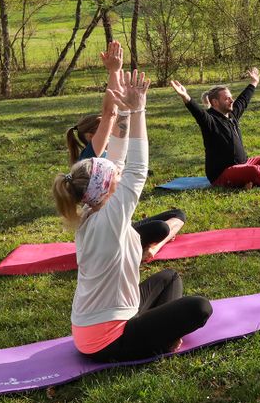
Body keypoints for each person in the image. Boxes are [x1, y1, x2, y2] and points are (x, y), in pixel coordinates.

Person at [52, 70, 212, 363]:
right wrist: (138, 109)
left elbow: (117, 159)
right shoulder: (110, 216)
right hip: (106, 342)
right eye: (114, 177)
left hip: (98, 325)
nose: (118, 174)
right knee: (200, 308)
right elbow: (137, 168)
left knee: (169, 278)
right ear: (107, 188)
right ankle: (162, 341)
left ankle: (160, 334)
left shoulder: (91, 205)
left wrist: (124, 112)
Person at [67, 41, 185, 260]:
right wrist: (117, 76)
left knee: (176, 215)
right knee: (161, 228)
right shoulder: (93, 157)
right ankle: (152, 247)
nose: (110, 129)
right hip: (114, 228)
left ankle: (151, 246)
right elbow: (135, 166)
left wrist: (125, 107)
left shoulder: (91, 192)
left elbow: (118, 157)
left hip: (113, 225)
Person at [170, 67, 260, 188]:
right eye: (227, 99)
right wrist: (185, 97)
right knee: (253, 170)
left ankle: (251, 179)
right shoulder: (210, 120)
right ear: (215, 102)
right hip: (223, 173)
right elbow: (198, 113)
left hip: (243, 164)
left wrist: (254, 82)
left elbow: (243, 100)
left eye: (231, 98)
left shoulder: (231, 115)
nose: (232, 101)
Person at [66, 41, 126, 162]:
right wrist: (114, 71)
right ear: (91, 136)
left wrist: (117, 73)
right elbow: (109, 114)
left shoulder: (105, 154)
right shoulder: (90, 157)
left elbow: (116, 113)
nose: (112, 130)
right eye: (108, 130)